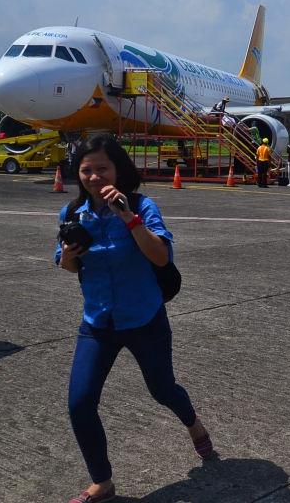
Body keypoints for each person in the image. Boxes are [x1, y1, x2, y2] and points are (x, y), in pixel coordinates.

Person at [56, 134, 213, 503]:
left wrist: (129, 218)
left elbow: (161, 258)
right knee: (80, 403)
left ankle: (194, 425)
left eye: (102, 168)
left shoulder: (142, 205)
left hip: (144, 319)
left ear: (118, 169)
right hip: (97, 323)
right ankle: (102, 483)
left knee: (163, 390)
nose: (94, 177)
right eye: (86, 170)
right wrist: (67, 253)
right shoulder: (71, 214)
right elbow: (66, 266)